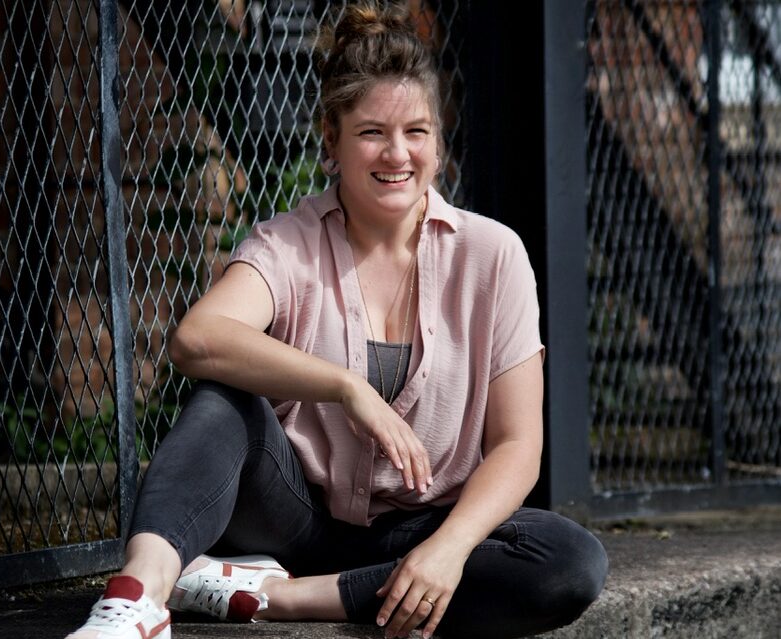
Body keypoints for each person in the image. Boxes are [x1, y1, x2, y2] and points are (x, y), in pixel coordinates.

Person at [66, 3, 608, 639]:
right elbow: (197, 338)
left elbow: (518, 447)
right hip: (294, 519)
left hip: (422, 523)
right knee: (225, 402)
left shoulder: (493, 256)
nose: (398, 154)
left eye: (418, 131)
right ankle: (139, 596)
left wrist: (449, 548)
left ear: (439, 136)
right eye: (373, 132)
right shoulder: (289, 244)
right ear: (332, 139)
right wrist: (346, 387)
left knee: (568, 561)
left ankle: (275, 598)